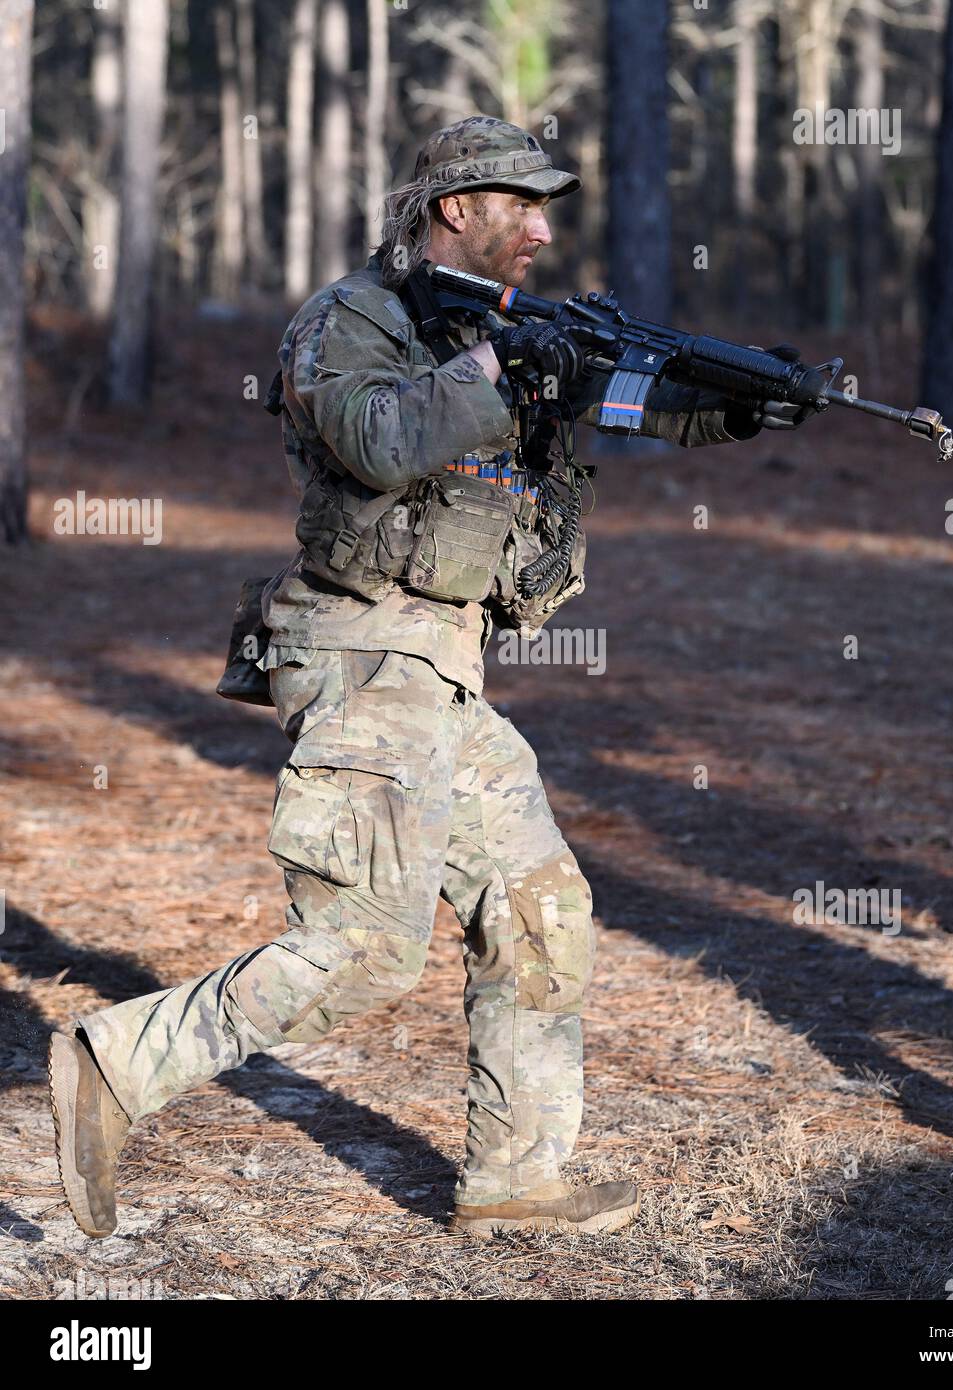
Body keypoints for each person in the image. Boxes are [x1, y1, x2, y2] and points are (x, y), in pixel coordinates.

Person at [49, 115, 802, 1241]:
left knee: (540, 906)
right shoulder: (351, 322)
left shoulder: (523, 332)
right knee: (361, 945)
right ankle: (119, 1062)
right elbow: (375, 438)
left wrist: (744, 404)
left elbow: (634, 403)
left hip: (442, 668)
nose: (544, 231)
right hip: (360, 658)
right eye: (523, 206)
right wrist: (500, 368)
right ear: (457, 208)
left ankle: (516, 1177)